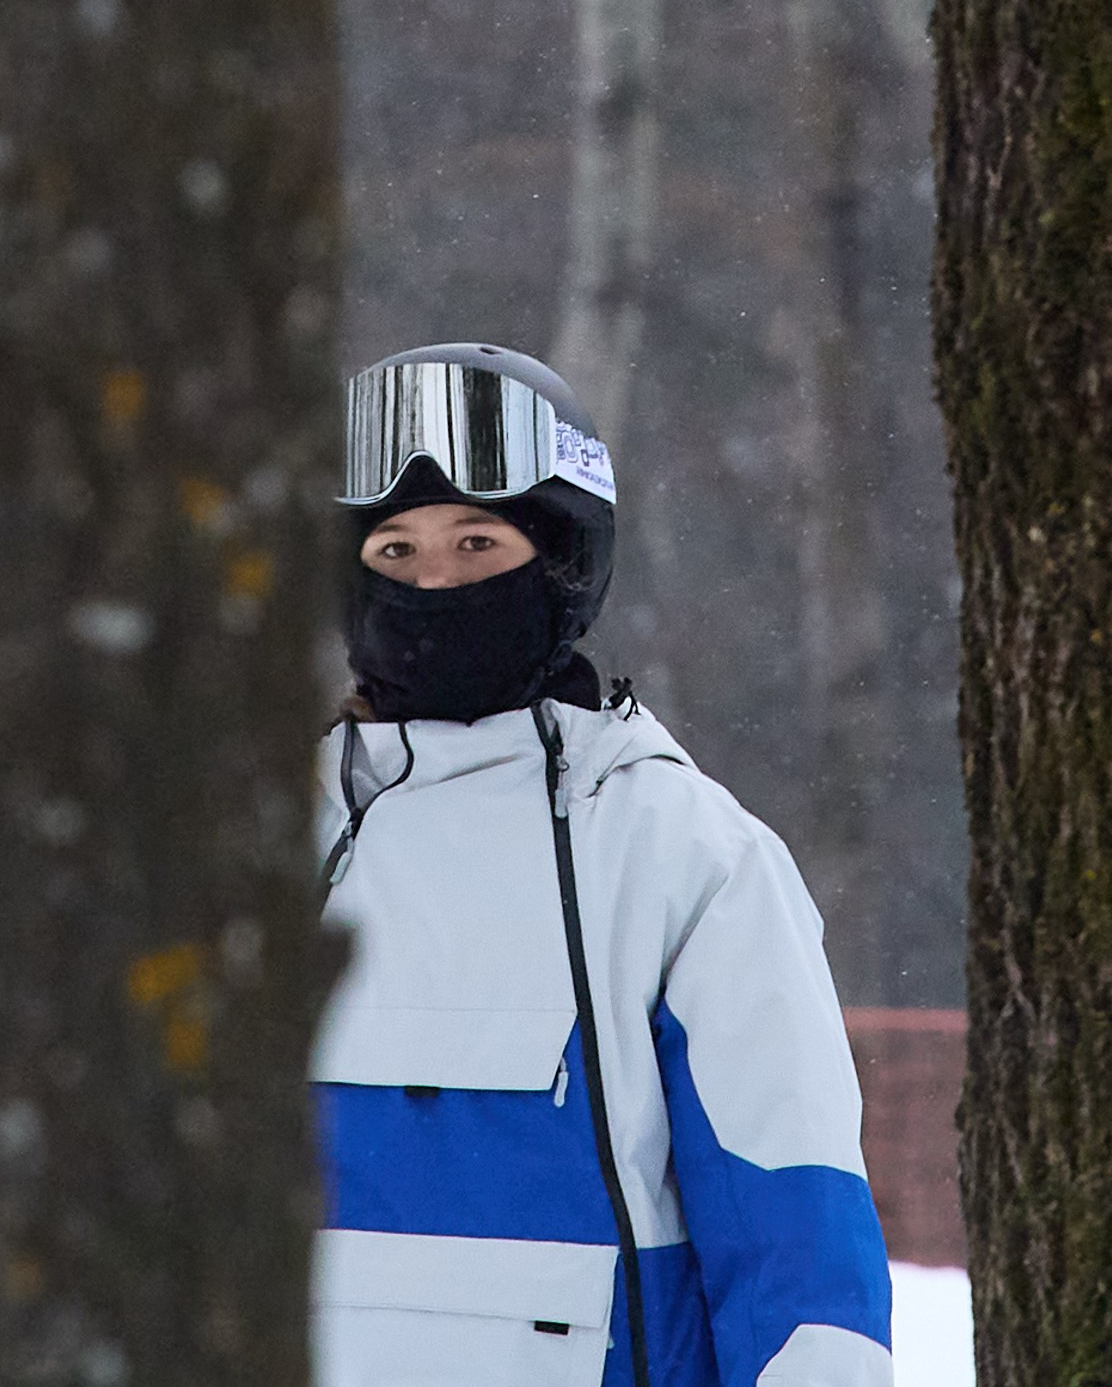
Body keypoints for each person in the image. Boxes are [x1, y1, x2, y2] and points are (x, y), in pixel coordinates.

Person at [309, 343, 895, 1387]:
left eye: (476, 543)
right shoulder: (270, 850)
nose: (435, 582)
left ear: (561, 562)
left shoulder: (688, 859)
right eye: (395, 550)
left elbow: (797, 1252)